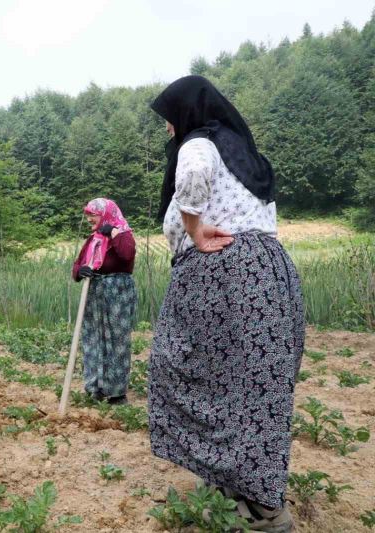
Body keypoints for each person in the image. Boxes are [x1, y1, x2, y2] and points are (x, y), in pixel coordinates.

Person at [147, 75, 304, 532]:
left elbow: (192, 177)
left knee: (193, 374)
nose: (170, 132)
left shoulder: (199, 144)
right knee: (252, 386)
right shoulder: (244, 154)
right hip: (268, 272)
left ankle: (257, 511)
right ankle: (236, 491)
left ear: (187, 115)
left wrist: (194, 229)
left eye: (170, 121)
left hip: (223, 277)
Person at [71, 198, 137, 404]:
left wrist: (113, 234)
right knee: (93, 337)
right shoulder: (93, 240)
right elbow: (78, 265)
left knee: (116, 340)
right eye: (88, 214)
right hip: (95, 290)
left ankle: (116, 392)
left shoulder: (123, 234)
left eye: (93, 214)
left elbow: (126, 255)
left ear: (106, 215)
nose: (89, 218)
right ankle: (96, 387)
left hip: (117, 291)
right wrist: (80, 272)